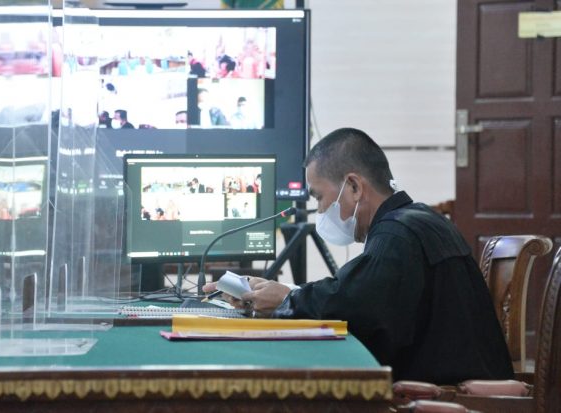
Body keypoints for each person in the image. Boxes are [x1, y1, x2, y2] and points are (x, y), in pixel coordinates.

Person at [203, 127, 514, 385]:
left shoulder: (397, 235)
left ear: (353, 186)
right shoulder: (415, 220)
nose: (321, 209)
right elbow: (358, 294)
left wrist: (287, 299)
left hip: (443, 391)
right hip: (453, 374)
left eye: (320, 197)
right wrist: (283, 296)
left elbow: (355, 307)